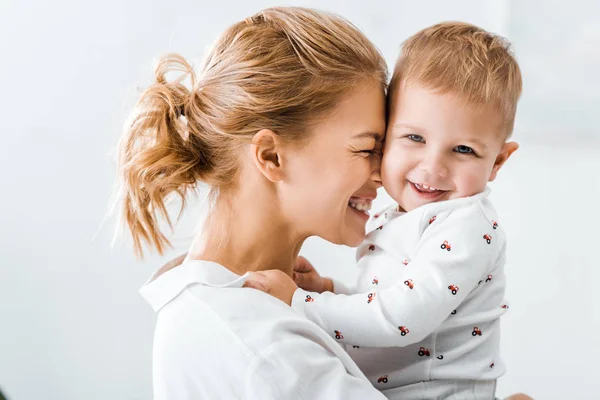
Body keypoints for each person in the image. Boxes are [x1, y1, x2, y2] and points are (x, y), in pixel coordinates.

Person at [116, 6, 390, 399]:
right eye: (367, 148)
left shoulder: (217, 307)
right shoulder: (261, 345)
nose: (384, 172)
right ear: (271, 157)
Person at [247, 21, 523, 399]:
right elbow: (386, 299)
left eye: (463, 150)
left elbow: (399, 320)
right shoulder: (400, 216)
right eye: (414, 138)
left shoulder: (466, 228)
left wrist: (301, 302)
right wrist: (329, 289)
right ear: (386, 134)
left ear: (498, 162)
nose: (432, 167)